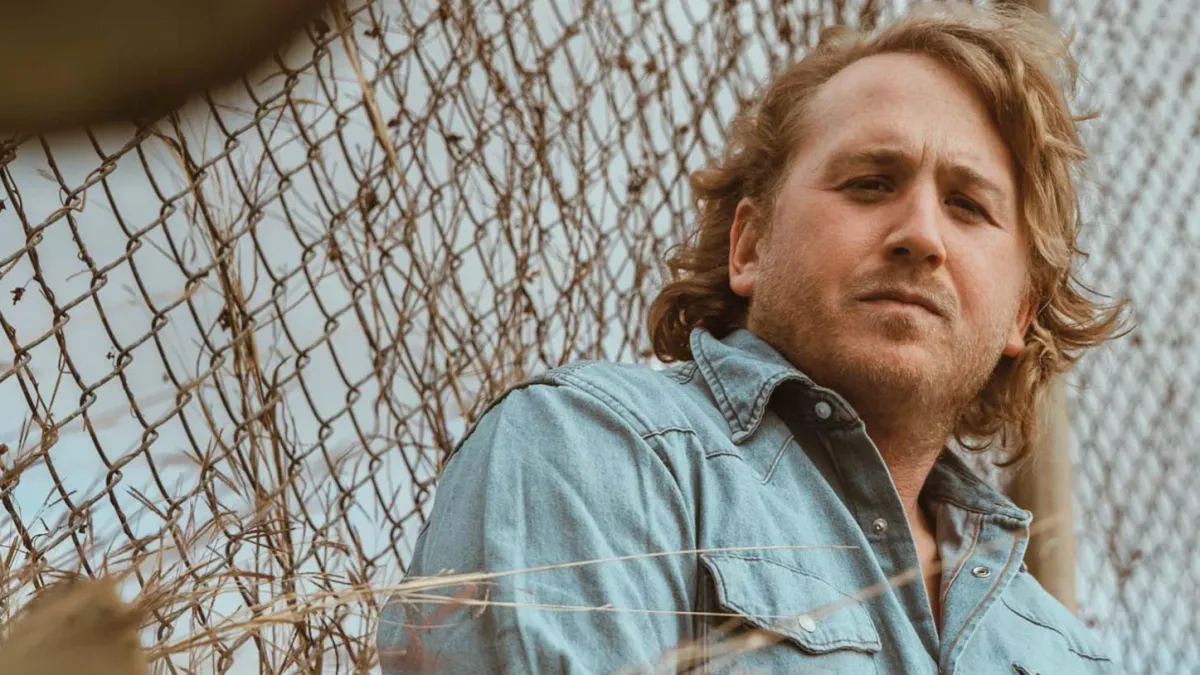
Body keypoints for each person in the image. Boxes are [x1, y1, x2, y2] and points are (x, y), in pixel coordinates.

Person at [377, 3, 1126, 673]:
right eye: (870, 182)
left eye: (967, 206)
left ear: (1021, 312)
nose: (921, 235)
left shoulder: (1069, 655)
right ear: (750, 245)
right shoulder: (595, 451)